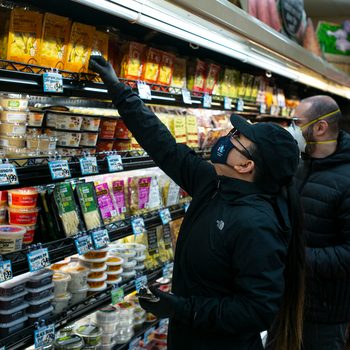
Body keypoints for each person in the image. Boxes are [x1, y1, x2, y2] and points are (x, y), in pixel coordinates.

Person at [89, 55, 305, 350]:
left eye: (237, 138)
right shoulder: (214, 184)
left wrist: (182, 308)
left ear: (246, 166)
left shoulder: (257, 225)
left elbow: (256, 311)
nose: (226, 138)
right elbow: (163, 145)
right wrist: (118, 89)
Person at [291, 95, 350, 350]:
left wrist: (296, 257)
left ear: (320, 127)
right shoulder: (300, 165)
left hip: (324, 313)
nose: (291, 129)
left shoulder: (346, 179)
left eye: (296, 122)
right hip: (289, 301)